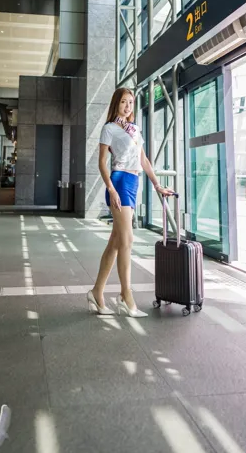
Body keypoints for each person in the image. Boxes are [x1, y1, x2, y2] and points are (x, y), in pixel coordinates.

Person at [88, 87, 172, 318]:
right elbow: (102, 163)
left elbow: (143, 160)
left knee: (116, 242)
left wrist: (157, 185)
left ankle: (97, 292)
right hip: (120, 181)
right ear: (116, 104)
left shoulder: (134, 130)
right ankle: (126, 295)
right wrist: (111, 188)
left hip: (134, 182)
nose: (127, 106)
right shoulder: (109, 129)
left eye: (131, 102)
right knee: (127, 239)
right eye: (123, 102)